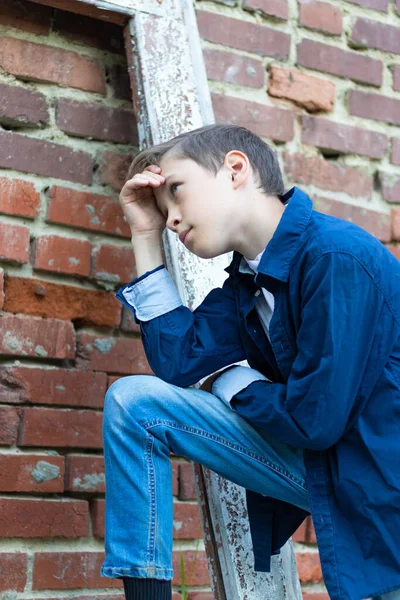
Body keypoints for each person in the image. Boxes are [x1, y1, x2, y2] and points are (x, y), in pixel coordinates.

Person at [99, 124, 400, 600]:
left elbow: (315, 420)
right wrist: (144, 234)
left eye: (176, 192)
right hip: (328, 466)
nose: (172, 220)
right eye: (163, 213)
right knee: (134, 405)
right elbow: (178, 360)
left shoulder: (335, 257)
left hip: (381, 485)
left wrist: (235, 383)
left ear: (235, 170)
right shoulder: (248, 282)